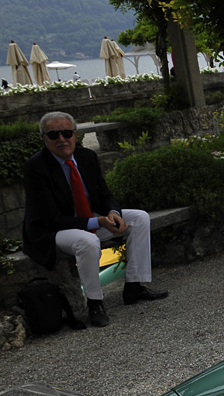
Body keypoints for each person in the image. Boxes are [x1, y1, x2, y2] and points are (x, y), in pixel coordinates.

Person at [22, 112, 168, 327]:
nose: (61, 139)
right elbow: (51, 219)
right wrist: (98, 222)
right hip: (53, 231)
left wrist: (113, 213)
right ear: (44, 139)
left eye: (66, 133)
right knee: (87, 242)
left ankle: (134, 286)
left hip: (86, 220)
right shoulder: (35, 168)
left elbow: (104, 195)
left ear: (75, 134)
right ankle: (95, 302)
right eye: (54, 135)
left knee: (139, 218)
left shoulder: (86, 157)